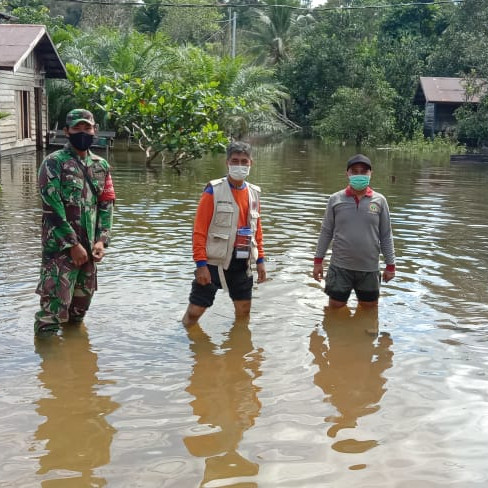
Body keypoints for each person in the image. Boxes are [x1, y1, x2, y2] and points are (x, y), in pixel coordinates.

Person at [34, 109, 116, 337]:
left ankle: (77, 362)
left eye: (87, 128)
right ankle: (49, 368)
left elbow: (106, 204)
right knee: (50, 316)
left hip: (89, 251)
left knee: (79, 312)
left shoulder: (101, 165)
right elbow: (52, 208)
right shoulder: (53, 163)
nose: (83, 133)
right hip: (60, 252)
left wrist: (101, 240)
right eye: (77, 128)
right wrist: (73, 244)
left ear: (94, 130)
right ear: (66, 131)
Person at [182, 141, 266, 327]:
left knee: (244, 312)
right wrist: (200, 264)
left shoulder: (254, 193)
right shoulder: (214, 191)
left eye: (244, 161)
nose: (240, 165)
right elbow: (199, 231)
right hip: (213, 262)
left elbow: (256, 229)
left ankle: (237, 350)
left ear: (251, 163)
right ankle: (183, 340)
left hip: (242, 261)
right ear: (227, 162)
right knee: (195, 312)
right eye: (235, 161)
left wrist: (260, 260)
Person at [313, 153, 395, 308]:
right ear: (347, 174)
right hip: (340, 267)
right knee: (334, 312)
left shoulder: (380, 201)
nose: (359, 175)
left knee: (369, 312)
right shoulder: (335, 199)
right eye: (354, 171)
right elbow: (326, 232)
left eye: (363, 172)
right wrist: (318, 261)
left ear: (371, 174)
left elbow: (386, 235)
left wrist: (391, 265)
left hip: (369, 269)